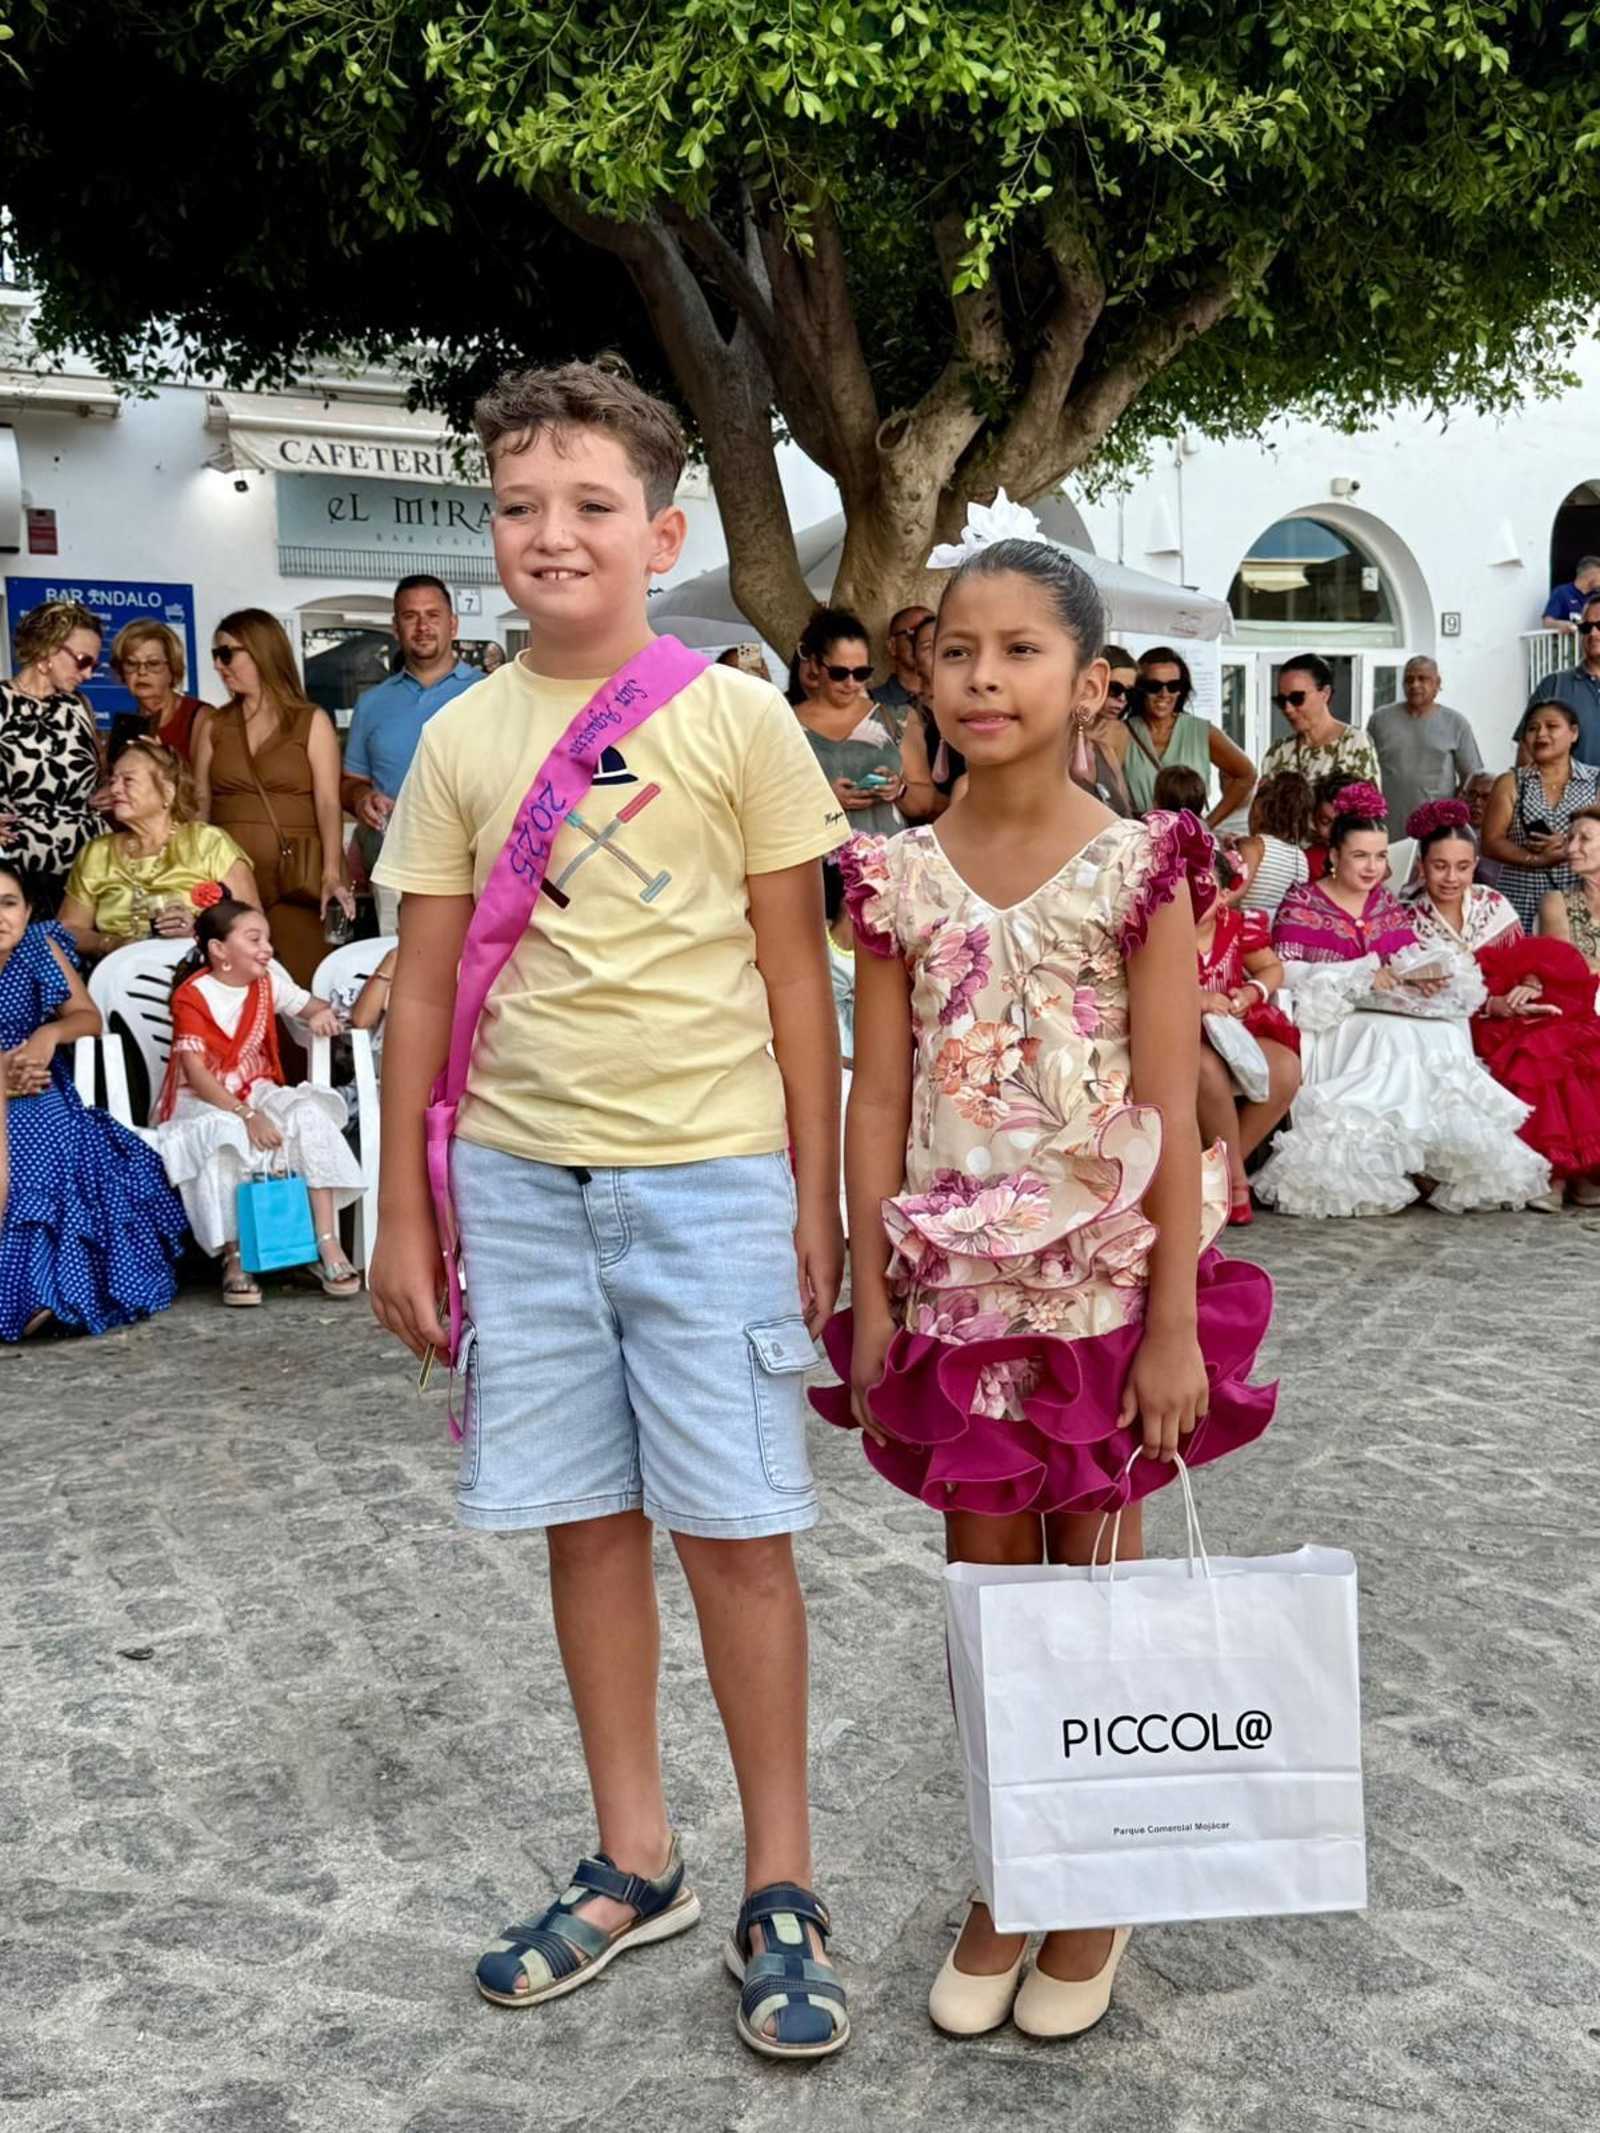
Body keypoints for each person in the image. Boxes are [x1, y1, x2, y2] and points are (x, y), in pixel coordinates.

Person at [367, 361, 852, 2056]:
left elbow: (802, 972)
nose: (549, 533)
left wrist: (822, 1192)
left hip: (714, 1180)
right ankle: (634, 1852)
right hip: (520, 1186)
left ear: (662, 531)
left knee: (737, 1532)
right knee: (584, 1521)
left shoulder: (735, 717)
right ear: (489, 528)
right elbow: (422, 990)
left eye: (587, 505)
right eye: (518, 504)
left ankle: (780, 1877)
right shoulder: (455, 736)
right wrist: (404, 1215)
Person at [819, 524, 1274, 2043]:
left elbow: (1163, 1094)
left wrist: (1167, 1326)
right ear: (921, 670)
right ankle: (1009, 1868)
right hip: (957, 1298)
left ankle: (1091, 1882)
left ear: (1090, 681)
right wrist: (877, 1293)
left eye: (1023, 650)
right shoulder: (894, 876)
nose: (986, 675)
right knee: (985, 1601)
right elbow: (874, 1096)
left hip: (1100, 1300)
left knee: (1093, 1594)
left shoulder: (1144, 865)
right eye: (959, 649)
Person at [1257, 785, 1549, 1218]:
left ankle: (1432, 1156)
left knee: (1443, 1031)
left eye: (1379, 856)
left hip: (1381, 1008)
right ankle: (1384, 1160)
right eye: (1360, 855)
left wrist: (1420, 979)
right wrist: (1356, 974)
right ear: (1334, 855)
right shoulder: (1303, 901)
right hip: (1331, 1018)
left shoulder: (1385, 904)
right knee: (1393, 1038)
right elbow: (1288, 972)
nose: (1373, 867)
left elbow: (1405, 959)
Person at [0, 859, 186, 1340]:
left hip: (35, 1081)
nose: (1, 917)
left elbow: (88, 1017)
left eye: (9, 904)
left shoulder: (40, 947)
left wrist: (47, 1035)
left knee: (40, 1148)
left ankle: (38, 1294)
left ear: (27, 910)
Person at [153, 898, 364, 1305]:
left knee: (308, 1114)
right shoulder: (192, 996)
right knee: (226, 1132)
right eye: (254, 939)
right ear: (219, 950)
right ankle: (236, 1257)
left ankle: (326, 1242)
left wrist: (320, 1016)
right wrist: (247, 1116)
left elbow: (312, 1007)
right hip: (205, 1099)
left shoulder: (268, 983)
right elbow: (196, 1074)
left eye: (267, 938)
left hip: (256, 1087)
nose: (266, 948)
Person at [1404, 800, 1600, 1207]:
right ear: (1421, 865)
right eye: (1440, 866)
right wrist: (1490, 1005)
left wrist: (1529, 983)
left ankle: (1571, 1169)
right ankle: (1554, 1175)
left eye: (1462, 866)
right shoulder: (1406, 919)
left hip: (1514, 1012)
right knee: (1532, 1049)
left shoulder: (1492, 904)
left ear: (1475, 864)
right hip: (1456, 1023)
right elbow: (1414, 993)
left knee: (1556, 1036)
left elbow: (1530, 959)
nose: (1451, 877)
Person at [195, 610, 355, 987]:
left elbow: (328, 802)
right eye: (216, 655)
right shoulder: (213, 724)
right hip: (229, 882)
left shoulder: (309, 719)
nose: (219, 666)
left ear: (261, 651)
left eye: (227, 654)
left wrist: (331, 872)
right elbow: (200, 804)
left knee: (303, 983)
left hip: (296, 878)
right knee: (234, 989)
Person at [340, 577, 482, 934]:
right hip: (397, 868)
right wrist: (361, 797)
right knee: (399, 967)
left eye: (433, 615)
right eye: (410, 616)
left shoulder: (491, 692)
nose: (422, 627)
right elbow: (350, 783)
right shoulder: (371, 704)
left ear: (453, 624)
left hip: (476, 864)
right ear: (395, 627)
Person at [59, 739, 258, 962]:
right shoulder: (97, 852)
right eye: (113, 780)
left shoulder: (208, 843)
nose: (114, 789)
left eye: (128, 780)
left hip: (200, 974)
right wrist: (110, 943)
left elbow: (253, 925)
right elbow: (68, 928)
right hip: (116, 975)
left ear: (167, 792)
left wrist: (199, 931)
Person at [1193, 848, 1300, 1224]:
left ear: (1224, 894)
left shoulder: (1237, 925)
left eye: (1205, 886)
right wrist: (1199, 999)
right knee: (1205, 1069)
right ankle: (1236, 1182)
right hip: (1182, 1033)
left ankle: (1219, 1172)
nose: (1194, 896)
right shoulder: (1162, 932)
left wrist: (1251, 992)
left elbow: (1272, 967)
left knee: (1284, 1067)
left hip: (1232, 1029)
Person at [0, 598, 107, 913]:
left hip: (87, 869)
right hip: (19, 873)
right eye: (82, 661)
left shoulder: (78, 705)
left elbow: (96, 778)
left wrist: (108, 793)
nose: (87, 674)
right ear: (47, 649)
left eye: (95, 666)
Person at [1479, 700, 1600, 929]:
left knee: (1574, 963)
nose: (1541, 733)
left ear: (1573, 733)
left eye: (1551, 726)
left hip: (1579, 901)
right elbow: (1491, 842)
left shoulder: (1596, 781)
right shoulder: (1510, 782)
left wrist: (1569, 846)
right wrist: (1535, 860)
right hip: (1519, 899)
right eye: (1532, 728)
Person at [791, 606, 905, 836]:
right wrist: (824, 800)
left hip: (888, 862)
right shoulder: (784, 724)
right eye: (839, 673)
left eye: (861, 673)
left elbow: (927, 801)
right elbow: (766, 804)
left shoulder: (893, 718)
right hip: (818, 865)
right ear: (814, 665)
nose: (851, 683)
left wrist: (899, 788)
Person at [1121, 647, 1254, 824]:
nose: (1164, 694)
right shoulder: (1121, 732)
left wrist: (1209, 824)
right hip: (1139, 839)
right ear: (1138, 688)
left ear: (1181, 690)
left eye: (1173, 686)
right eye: (1154, 686)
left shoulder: (1200, 731)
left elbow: (1247, 775)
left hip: (1190, 840)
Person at [1366, 657, 1482, 828]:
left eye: (1422, 678)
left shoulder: (1456, 723)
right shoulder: (1380, 720)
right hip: (1387, 826)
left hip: (1436, 829)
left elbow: (1472, 777)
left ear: (1437, 683)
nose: (1415, 685)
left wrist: (1451, 811)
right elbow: (1366, 771)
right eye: (1409, 679)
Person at [1260, 654, 1381, 795]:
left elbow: (1369, 809)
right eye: (1281, 701)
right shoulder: (1278, 752)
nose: (1288, 709)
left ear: (1325, 694)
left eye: (1296, 698)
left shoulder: (1354, 744)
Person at [107, 620, 210, 764]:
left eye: (153, 663)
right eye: (132, 663)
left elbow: (202, 786)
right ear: (122, 672)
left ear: (172, 670)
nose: (142, 672)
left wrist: (162, 761)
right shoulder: (128, 726)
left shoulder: (201, 718)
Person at [897, 612, 962, 821]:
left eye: (948, 643)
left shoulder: (984, 710)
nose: (939, 651)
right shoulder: (906, 717)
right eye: (927, 646)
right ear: (914, 658)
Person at [1525, 595, 1600, 763]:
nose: (1593, 633)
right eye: (1586, 627)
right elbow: (1527, 753)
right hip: (1564, 789)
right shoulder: (1553, 685)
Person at [1236, 771, 1313, 919]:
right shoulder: (1301, 859)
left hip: (1246, 930)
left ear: (1258, 809)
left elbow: (1237, 891)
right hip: (1279, 935)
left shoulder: (1255, 847)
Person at [1538, 804, 1600, 970]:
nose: (1571, 849)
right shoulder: (1557, 901)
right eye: (1570, 839)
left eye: (1585, 838)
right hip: (1579, 994)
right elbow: (1562, 956)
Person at [872, 604, 934, 730]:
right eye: (913, 634)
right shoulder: (870, 704)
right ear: (892, 646)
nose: (923, 641)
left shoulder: (959, 697)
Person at [1463, 771, 1505, 889]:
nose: (1476, 802)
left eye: (1486, 797)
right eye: (1471, 794)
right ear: (1462, 796)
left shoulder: (1505, 842)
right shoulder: (1447, 834)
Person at [1541, 555, 1600, 634]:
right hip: (1568, 644)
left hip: (1591, 644)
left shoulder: (1596, 598)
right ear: (1590, 575)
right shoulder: (1562, 593)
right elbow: (1547, 622)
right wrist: (1563, 625)